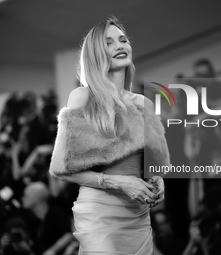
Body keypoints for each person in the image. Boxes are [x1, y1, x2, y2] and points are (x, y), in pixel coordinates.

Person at [49, 17, 170, 254]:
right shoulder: (82, 97)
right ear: (95, 53)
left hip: (138, 218)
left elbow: (153, 165)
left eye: (123, 40)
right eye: (110, 42)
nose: (120, 46)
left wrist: (158, 180)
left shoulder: (143, 103)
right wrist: (118, 182)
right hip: (99, 215)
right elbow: (60, 168)